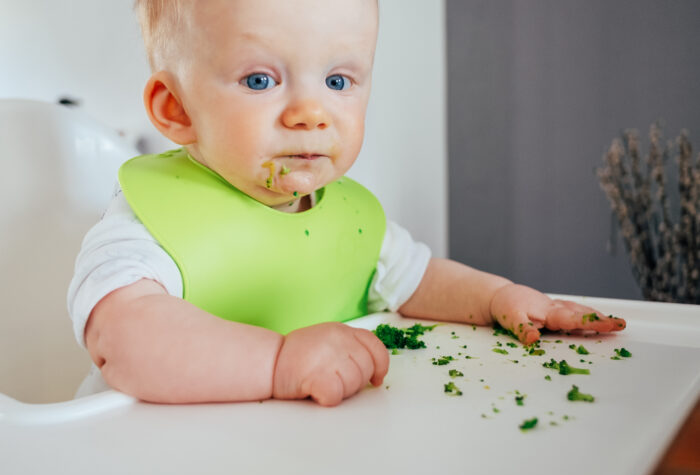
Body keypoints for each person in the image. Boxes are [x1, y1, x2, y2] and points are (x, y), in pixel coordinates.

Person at [67, 0, 625, 406]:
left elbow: (420, 280)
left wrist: (501, 296)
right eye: (260, 79)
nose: (312, 112)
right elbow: (125, 339)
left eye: (338, 81)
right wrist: (279, 363)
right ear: (178, 110)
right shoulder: (150, 224)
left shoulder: (350, 218)